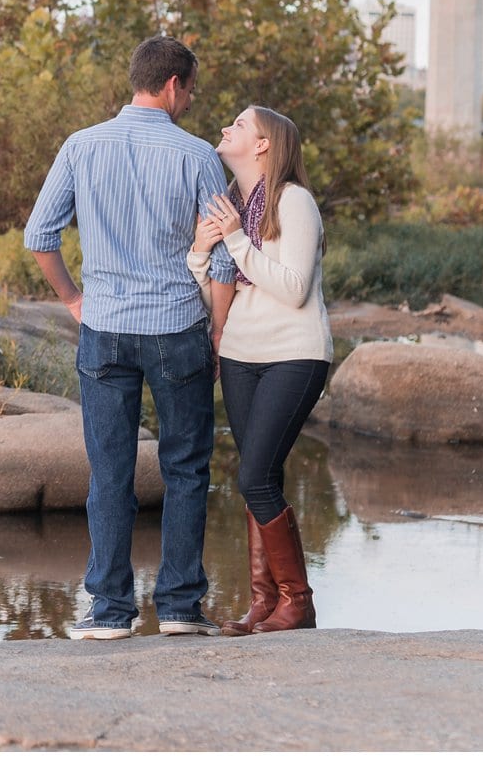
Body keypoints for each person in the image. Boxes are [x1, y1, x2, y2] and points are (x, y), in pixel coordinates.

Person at [25, 35, 238, 639]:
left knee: (110, 471)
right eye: (191, 89)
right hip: (176, 328)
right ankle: (177, 607)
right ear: (173, 85)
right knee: (187, 469)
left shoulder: (81, 146)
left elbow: (40, 235)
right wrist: (217, 330)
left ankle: (110, 611)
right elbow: (220, 258)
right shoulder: (198, 156)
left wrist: (73, 299)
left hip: (106, 329)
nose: (191, 100)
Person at [189, 105, 332, 635]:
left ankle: (298, 602)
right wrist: (202, 255)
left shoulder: (295, 203)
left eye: (240, 125)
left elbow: (293, 288)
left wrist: (232, 241)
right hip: (242, 356)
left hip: (294, 355)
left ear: (265, 144)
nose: (227, 127)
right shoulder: (233, 207)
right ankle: (263, 603)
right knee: (258, 481)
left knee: (253, 476)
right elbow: (218, 295)